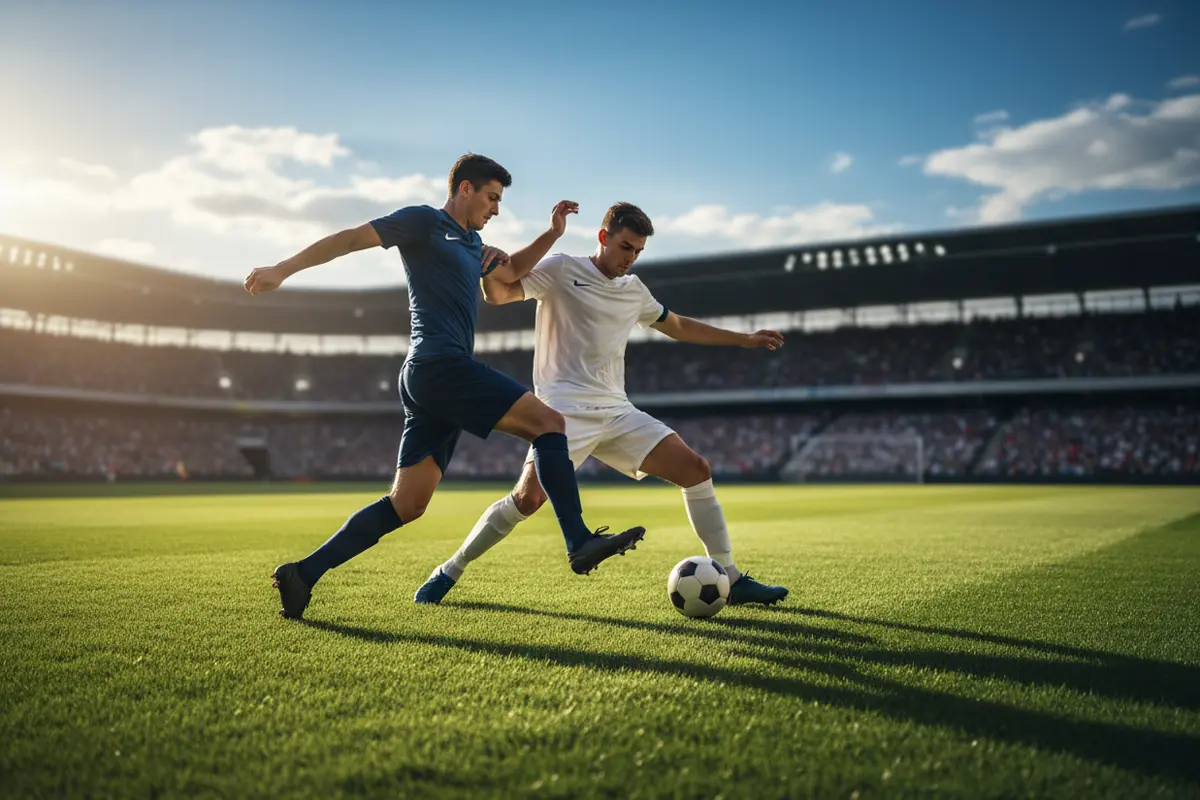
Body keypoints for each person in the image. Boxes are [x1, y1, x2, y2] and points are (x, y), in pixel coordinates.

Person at [243, 155, 646, 620]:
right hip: (439, 365)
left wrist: (553, 234)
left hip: (433, 377)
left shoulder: (474, 244)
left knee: (408, 504)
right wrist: (282, 270)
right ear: (466, 189)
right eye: (492, 198)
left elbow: (511, 272)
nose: (496, 208)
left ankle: (303, 574)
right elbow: (351, 238)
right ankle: (578, 540)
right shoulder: (424, 222)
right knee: (550, 424)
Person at [414, 202, 788, 606]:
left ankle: (729, 577)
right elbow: (501, 293)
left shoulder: (634, 290)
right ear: (603, 237)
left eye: (638, 251)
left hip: (617, 411)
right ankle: (449, 569)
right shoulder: (561, 270)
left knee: (695, 470)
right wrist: (489, 270)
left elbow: (677, 326)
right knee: (527, 500)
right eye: (625, 246)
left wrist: (742, 339)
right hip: (563, 413)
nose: (630, 258)